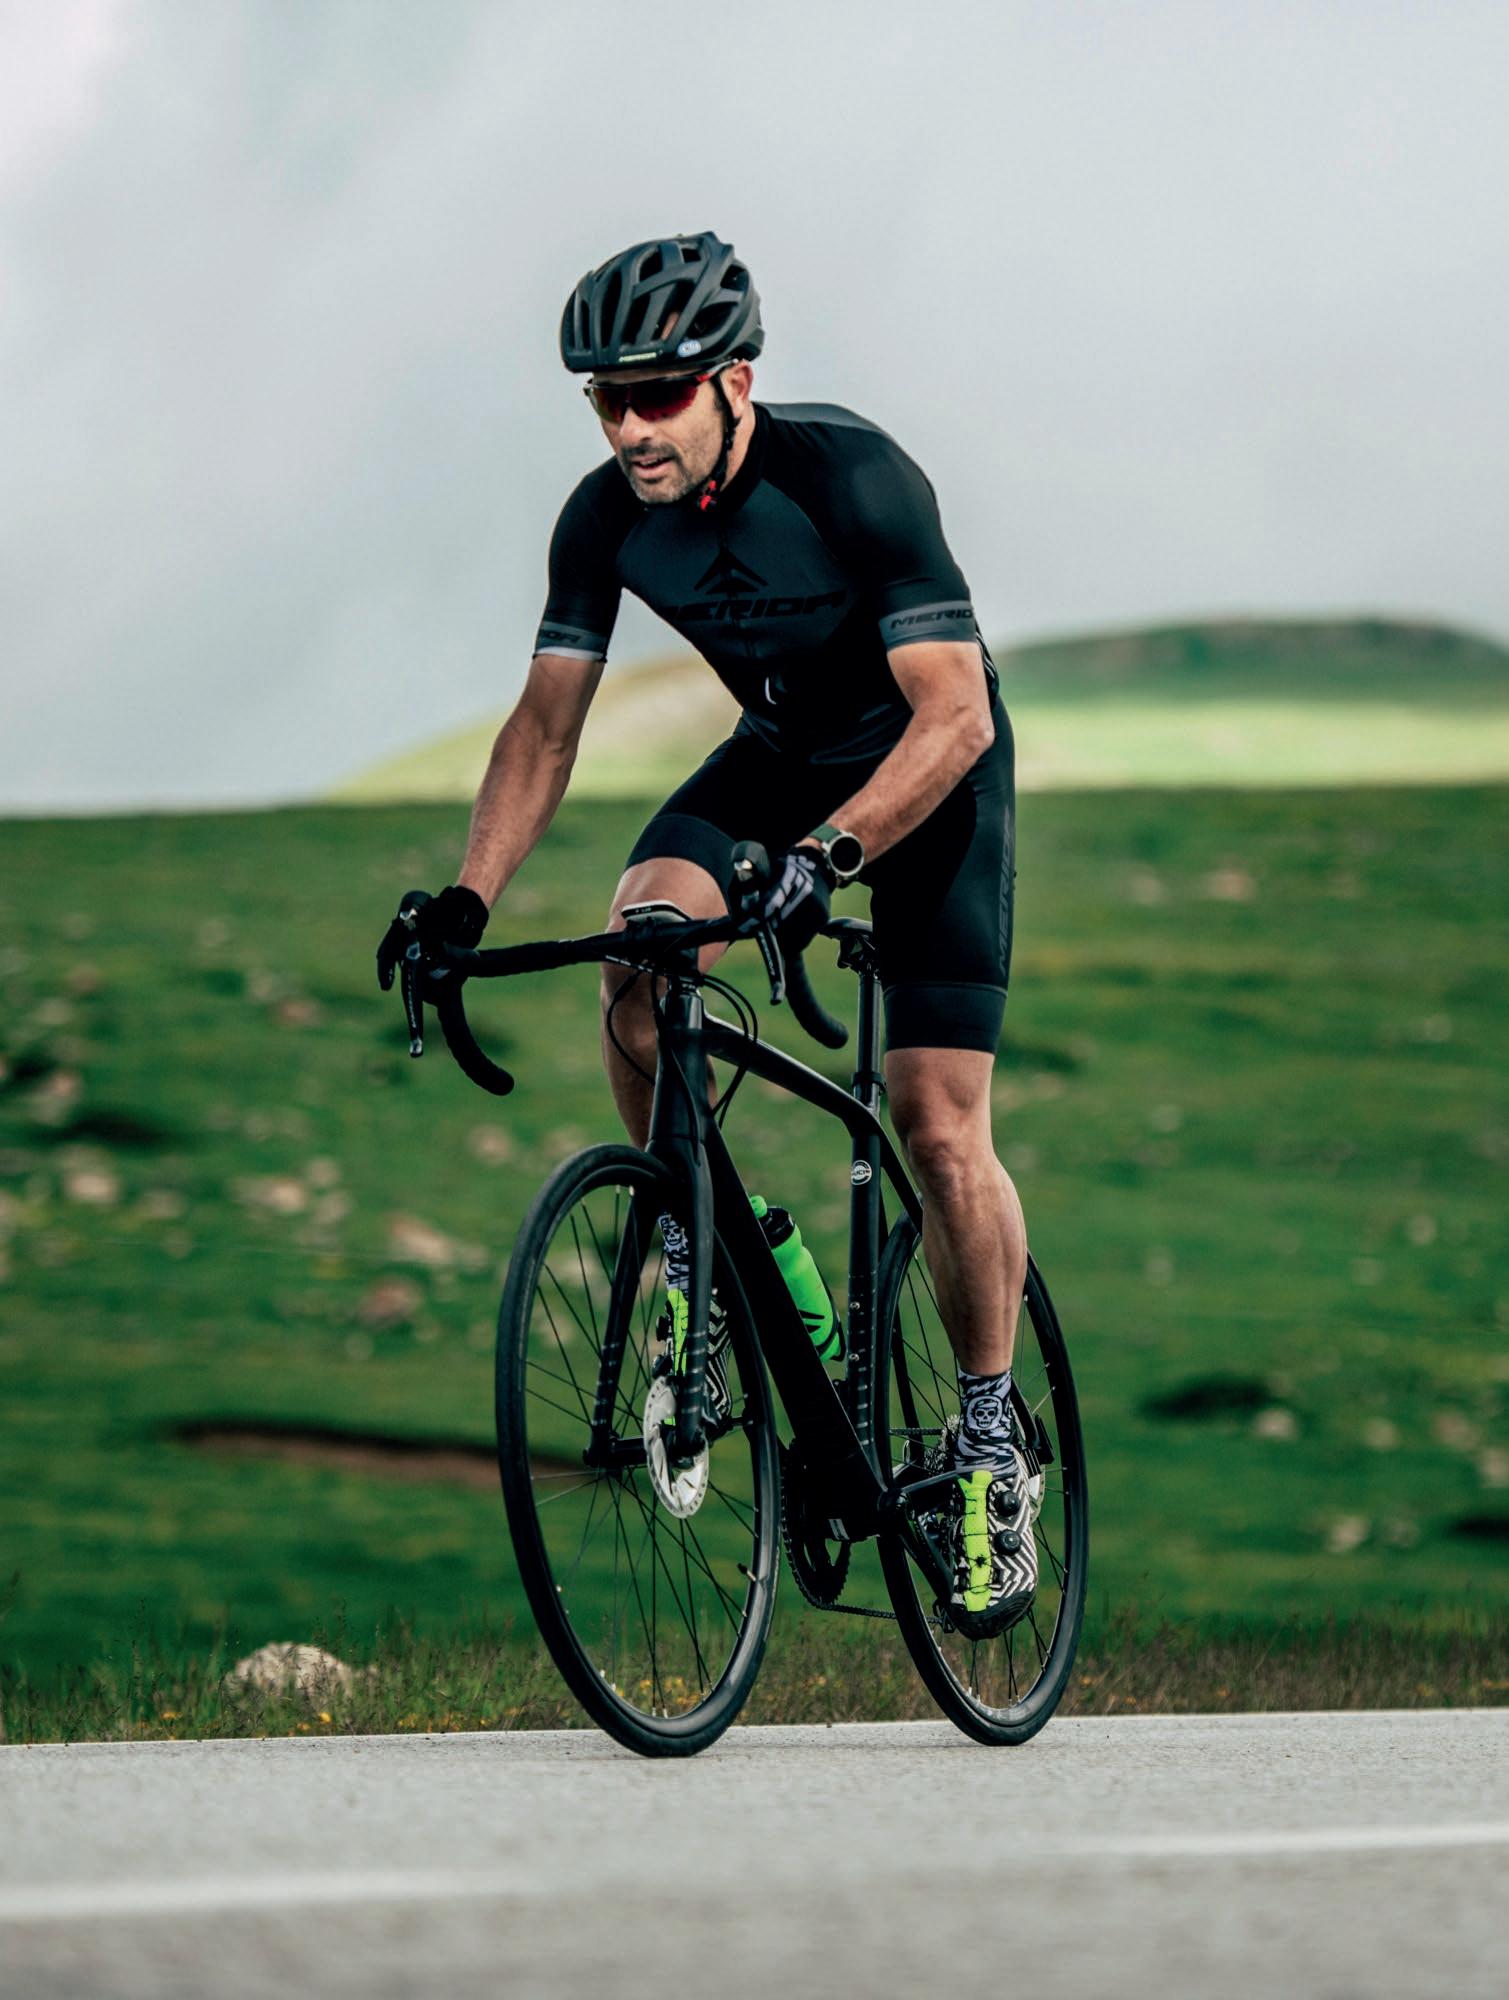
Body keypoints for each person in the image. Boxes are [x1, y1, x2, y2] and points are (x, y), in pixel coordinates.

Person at [377, 231, 1035, 1626]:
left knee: (933, 1121)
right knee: (640, 957)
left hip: (928, 774)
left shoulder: (851, 477)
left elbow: (956, 711)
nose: (630, 428)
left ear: (734, 380)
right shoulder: (602, 519)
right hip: (781, 757)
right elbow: (545, 728)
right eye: (606, 400)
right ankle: (704, 1252)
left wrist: (828, 857)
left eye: (657, 395)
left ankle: (987, 1433)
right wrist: (467, 899)